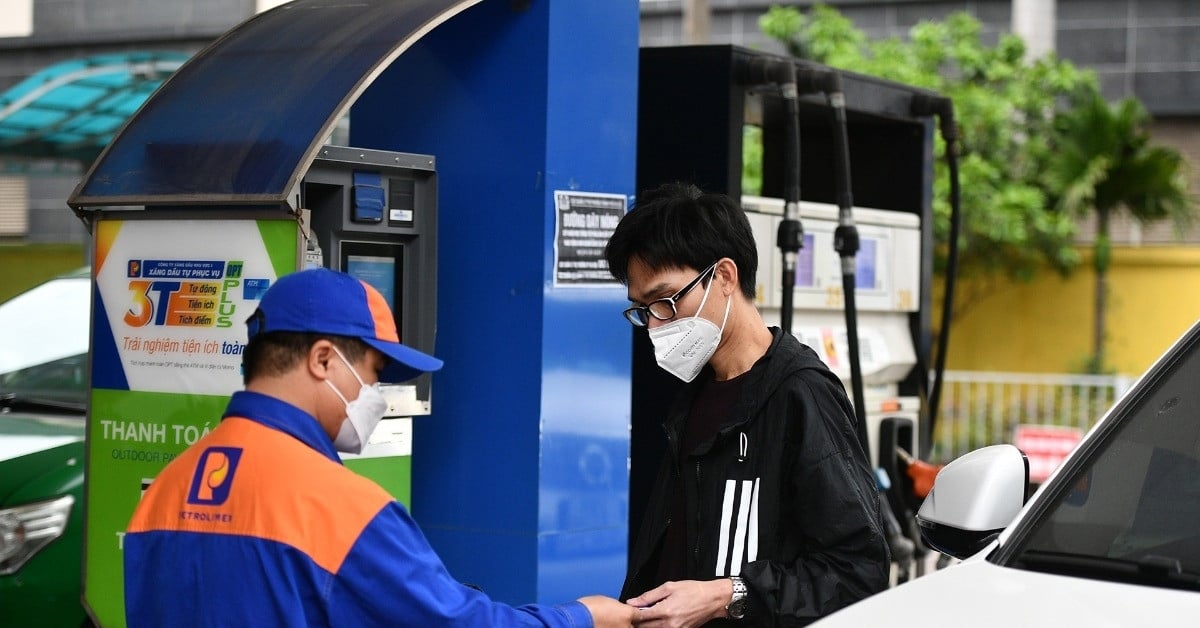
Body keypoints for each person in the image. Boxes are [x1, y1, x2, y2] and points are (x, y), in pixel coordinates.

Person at [124, 267, 636, 627]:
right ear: (323, 359)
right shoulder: (341, 507)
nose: (378, 397)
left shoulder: (164, 491)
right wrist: (580, 617)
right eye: (375, 373)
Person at [605, 183, 890, 626]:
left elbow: (858, 573)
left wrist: (729, 595)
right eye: (643, 309)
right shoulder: (694, 392)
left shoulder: (801, 394)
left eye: (666, 301)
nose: (656, 325)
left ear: (723, 277)